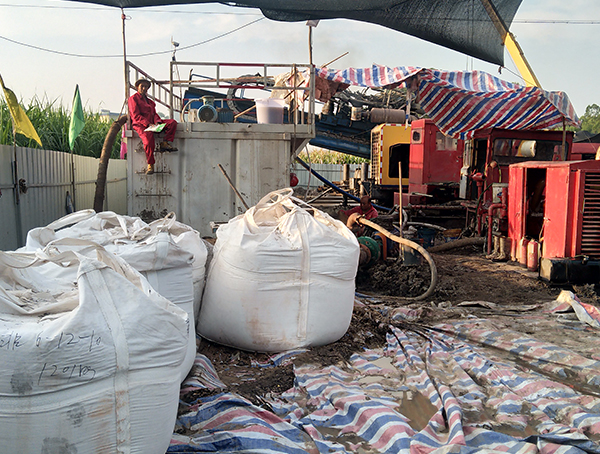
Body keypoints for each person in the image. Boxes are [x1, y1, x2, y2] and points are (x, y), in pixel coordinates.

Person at [128, 78, 178, 175]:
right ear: (137, 87)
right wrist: (147, 124)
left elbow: (154, 114)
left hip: (152, 124)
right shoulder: (133, 99)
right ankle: (150, 164)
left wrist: (158, 122)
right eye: (142, 86)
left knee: (172, 123)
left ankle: (165, 143)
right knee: (148, 139)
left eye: (146, 87)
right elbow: (135, 116)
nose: (144, 88)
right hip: (140, 125)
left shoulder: (150, 102)